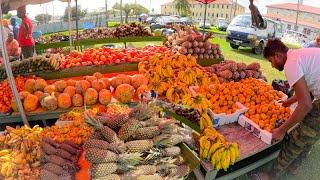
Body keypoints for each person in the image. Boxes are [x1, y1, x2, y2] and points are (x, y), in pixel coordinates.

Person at [252, 39, 320, 180]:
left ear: (278, 55)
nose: (272, 65)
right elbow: (308, 88)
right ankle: (294, 167)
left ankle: (271, 176)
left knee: (296, 138)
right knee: (311, 134)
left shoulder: (291, 63)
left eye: (271, 61)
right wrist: (289, 101)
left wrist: (282, 130)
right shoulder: (299, 55)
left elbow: (306, 104)